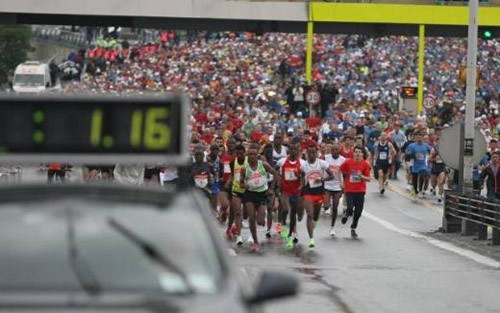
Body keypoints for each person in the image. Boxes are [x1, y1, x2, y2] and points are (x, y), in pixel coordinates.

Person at [240, 143, 276, 253]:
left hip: (262, 193)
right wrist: (244, 185)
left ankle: (262, 220)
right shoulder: (244, 169)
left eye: (254, 154)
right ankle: (255, 241)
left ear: (257, 155)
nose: (252, 156)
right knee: (251, 217)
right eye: (250, 154)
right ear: (247, 156)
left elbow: (275, 174)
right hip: (250, 194)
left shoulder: (263, 165)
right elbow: (241, 183)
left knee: (260, 221)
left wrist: (272, 188)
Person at [300, 144, 334, 248]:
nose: (311, 154)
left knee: (315, 215)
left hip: (319, 193)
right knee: (309, 214)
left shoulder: (322, 163)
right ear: (306, 154)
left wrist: (322, 179)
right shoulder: (303, 165)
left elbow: (332, 176)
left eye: (313, 152)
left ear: (316, 153)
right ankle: (311, 239)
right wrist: (302, 186)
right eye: (309, 152)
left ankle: (315, 221)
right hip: (308, 192)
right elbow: (301, 177)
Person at [339, 145, 371, 238]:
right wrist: (341, 182)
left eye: (359, 152)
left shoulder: (365, 164)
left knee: (358, 212)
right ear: (353, 153)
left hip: (360, 191)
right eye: (356, 151)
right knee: (350, 209)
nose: (357, 153)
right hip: (349, 190)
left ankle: (353, 227)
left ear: (362, 154)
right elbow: (339, 170)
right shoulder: (348, 162)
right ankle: (346, 214)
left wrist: (362, 177)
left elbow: (369, 179)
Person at [276, 144, 304, 248]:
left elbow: (305, 176)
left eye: (295, 149)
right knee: (286, 209)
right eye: (291, 149)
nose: (293, 151)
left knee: (294, 213)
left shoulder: (302, 163)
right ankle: (282, 221)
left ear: (298, 151)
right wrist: (277, 182)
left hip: (296, 192)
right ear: (289, 151)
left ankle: (294, 232)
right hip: (285, 191)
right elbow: (275, 171)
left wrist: (300, 177)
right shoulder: (282, 161)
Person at [227, 144, 247, 245]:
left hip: (248, 191)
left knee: (247, 213)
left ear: (244, 152)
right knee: (237, 212)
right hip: (236, 190)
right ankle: (239, 235)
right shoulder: (232, 163)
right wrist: (228, 183)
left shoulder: (249, 161)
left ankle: (231, 228)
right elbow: (232, 175)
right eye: (237, 153)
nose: (239, 155)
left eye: (241, 153)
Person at [324, 143, 345, 237]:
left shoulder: (342, 160)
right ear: (331, 150)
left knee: (335, 207)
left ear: (339, 150)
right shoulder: (326, 158)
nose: (335, 151)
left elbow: (345, 172)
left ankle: (332, 227)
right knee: (326, 206)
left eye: (337, 149)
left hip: (337, 186)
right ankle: (326, 208)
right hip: (327, 185)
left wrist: (344, 184)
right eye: (333, 149)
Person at [406, 132, 431, 199]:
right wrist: (414, 156)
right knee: (415, 178)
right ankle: (415, 190)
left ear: (423, 138)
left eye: (421, 137)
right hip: (414, 164)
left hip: (423, 164)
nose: (419, 138)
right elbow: (407, 155)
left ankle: (420, 191)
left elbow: (431, 152)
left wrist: (429, 158)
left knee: (422, 176)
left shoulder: (426, 146)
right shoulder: (412, 145)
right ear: (416, 138)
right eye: (418, 137)